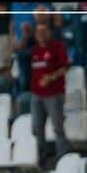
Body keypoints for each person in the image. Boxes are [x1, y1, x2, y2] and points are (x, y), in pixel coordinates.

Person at [29, 21, 70, 160]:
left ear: (49, 32)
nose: (41, 35)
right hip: (36, 94)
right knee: (36, 127)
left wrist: (51, 77)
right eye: (38, 32)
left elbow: (65, 67)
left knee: (57, 126)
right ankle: (42, 154)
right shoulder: (34, 50)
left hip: (53, 93)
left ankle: (62, 155)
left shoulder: (57, 47)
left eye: (43, 31)